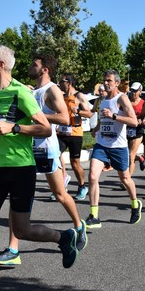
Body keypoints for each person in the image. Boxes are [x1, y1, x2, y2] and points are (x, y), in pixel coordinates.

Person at [0, 45, 82, 291]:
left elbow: (45, 128)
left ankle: (63, 237)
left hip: (21, 169)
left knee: (22, 229)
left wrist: (15, 128)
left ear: (0, 65)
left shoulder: (22, 93)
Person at [0, 54, 86, 267]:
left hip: (46, 150)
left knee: (60, 194)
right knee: (17, 203)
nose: (31, 66)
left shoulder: (52, 90)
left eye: (35, 64)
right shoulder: (29, 89)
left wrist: (34, 113)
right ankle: (13, 249)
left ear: (45, 70)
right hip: (26, 150)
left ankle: (78, 226)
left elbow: (64, 118)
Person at [85, 69, 141, 229]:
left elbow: (134, 121)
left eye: (109, 80)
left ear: (117, 83)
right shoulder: (103, 100)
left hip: (118, 146)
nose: (105, 83)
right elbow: (104, 118)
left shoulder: (122, 98)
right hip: (102, 145)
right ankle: (94, 216)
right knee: (93, 176)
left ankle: (135, 205)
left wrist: (114, 116)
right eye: (104, 80)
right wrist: (97, 128)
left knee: (125, 179)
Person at [57, 73, 92, 201]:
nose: (60, 84)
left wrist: (78, 111)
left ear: (69, 83)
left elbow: (89, 114)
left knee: (75, 163)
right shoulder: (60, 96)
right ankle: (62, 184)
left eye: (62, 82)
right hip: (61, 132)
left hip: (75, 133)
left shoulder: (79, 96)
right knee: (55, 156)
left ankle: (82, 186)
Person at [126, 82, 145, 177]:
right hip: (126, 129)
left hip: (138, 130)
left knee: (131, 155)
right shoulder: (126, 101)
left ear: (140, 92)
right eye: (132, 90)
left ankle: (127, 179)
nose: (133, 93)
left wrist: (143, 120)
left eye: (135, 91)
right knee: (126, 154)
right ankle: (140, 158)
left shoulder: (143, 103)